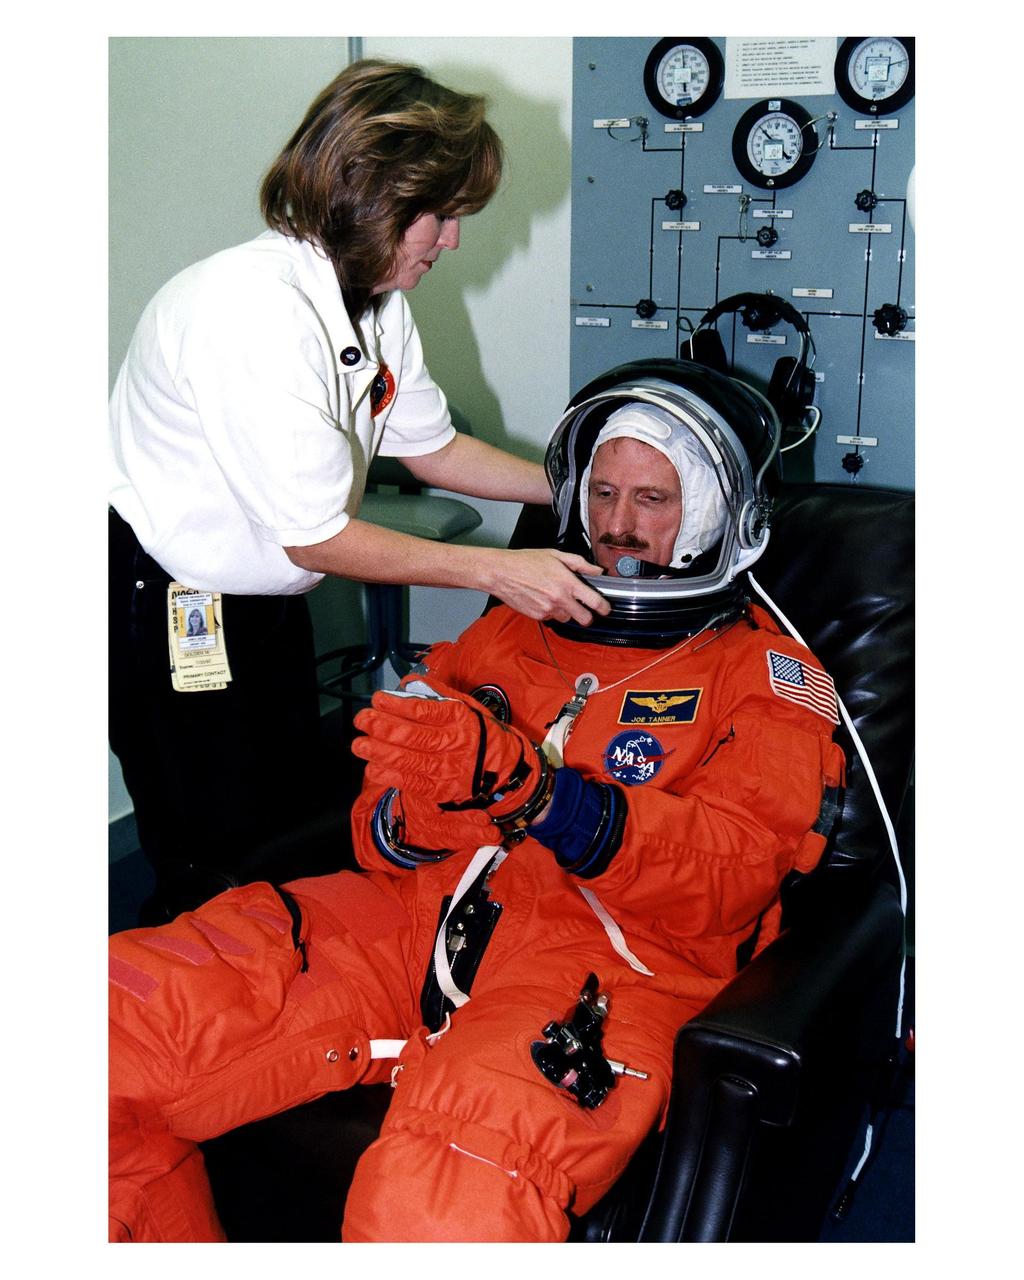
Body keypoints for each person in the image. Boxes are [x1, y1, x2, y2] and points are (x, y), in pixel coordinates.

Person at [108, 359, 846, 1242]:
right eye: (603, 493)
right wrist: (419, 815)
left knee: (443, 1204)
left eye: (653, 499)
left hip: (611, 966)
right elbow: (378, 823)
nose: (617, 527)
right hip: (409, 922)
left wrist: (537, 794)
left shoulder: (766, 678)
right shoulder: (506, 624)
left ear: (719, 514)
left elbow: (733, 877)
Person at [108, 59, 608, 922]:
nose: (450, 240)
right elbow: (317, 537)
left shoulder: (372, 302)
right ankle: (170, 1020)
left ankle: (283, 998)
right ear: (376, 195)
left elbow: (433, 448)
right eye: (440, 215)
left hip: (263, 592)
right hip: (172, 595)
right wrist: (499, 571)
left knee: (283, 810)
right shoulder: (248, 312)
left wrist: (587, 493)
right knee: (208, 844)